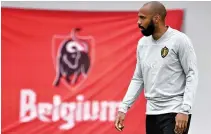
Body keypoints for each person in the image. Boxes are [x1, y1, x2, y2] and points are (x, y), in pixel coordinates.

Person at [114, 1, 198, 134]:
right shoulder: (142, 44)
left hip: (175, 112)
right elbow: (138, 78)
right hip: (152, 113)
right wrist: (123, 108)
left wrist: (184, 110)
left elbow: (191, 74)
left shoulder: (180, 40)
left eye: (142, 18)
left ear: (156, 18)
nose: (138, 22)